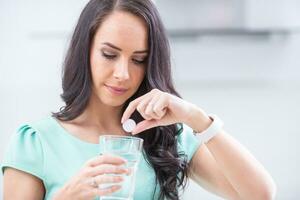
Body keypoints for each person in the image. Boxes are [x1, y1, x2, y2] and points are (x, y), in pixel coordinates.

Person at [1, 0, 276, 199]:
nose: (123, 74)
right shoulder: (36, 142)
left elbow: (260, 193)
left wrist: (195, 117)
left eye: (139, 60)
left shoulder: (168, 137)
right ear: (84, 51)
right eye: (109, 55)